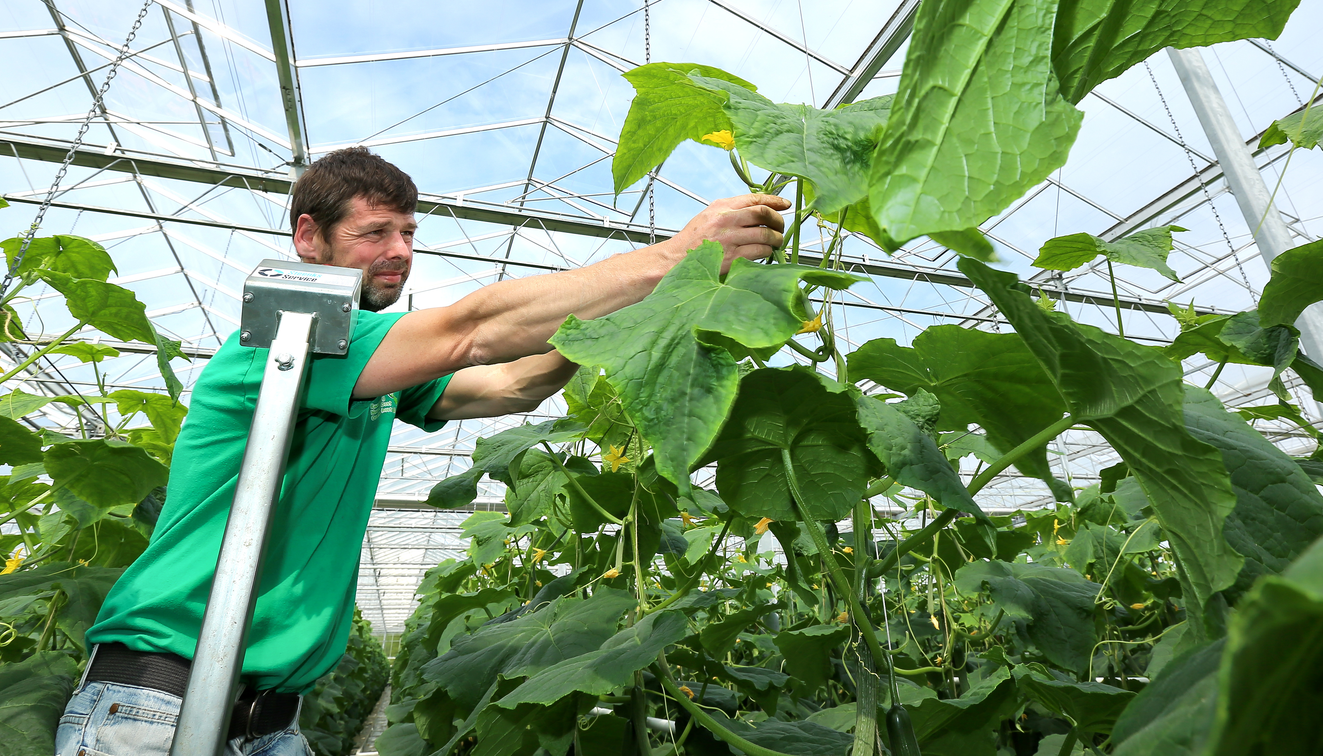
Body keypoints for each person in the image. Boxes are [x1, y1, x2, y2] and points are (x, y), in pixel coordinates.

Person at [55, 146, 788, 756]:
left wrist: (634, 309)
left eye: (408, 233)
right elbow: (469, 331)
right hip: (155, 708)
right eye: (374, 233)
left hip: (267, 723)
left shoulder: (367, 376)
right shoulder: (281, 343)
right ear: (309, 237)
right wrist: (672, 258)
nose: (399, 252)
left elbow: (509, 386)